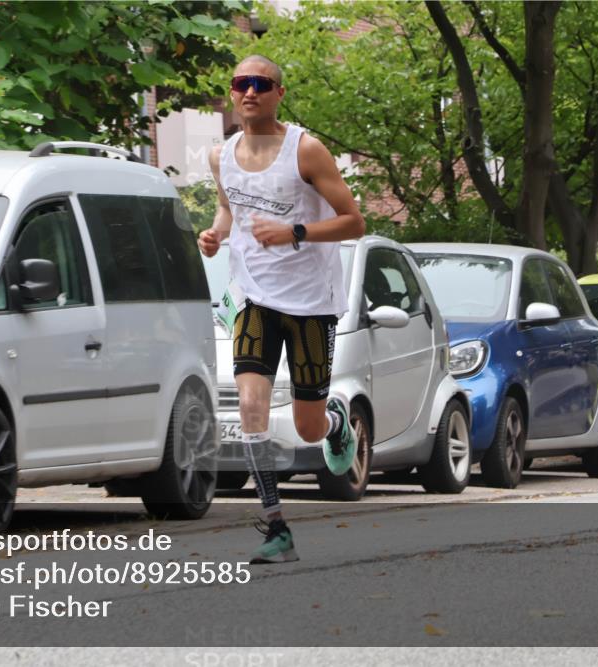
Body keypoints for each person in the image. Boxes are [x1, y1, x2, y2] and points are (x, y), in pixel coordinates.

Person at [198, 54, 365, 564]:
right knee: (251, 407)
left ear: (279, 94)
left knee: (307, 426)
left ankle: (335, 422)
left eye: (261, 83)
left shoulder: (306, 150)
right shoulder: (220, 156)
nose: (250, 91)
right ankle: (276, 527)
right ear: (232, 92)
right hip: (254, 298)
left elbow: (353, 221)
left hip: (311, 303)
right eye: (241, 83)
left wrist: (295, 231)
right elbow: (228, 208)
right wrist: (215, 234)